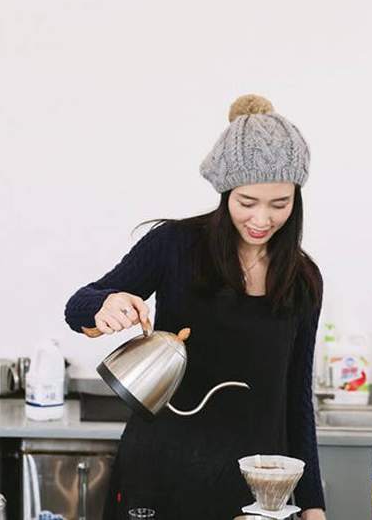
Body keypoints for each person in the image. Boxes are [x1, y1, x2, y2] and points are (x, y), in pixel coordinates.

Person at [65, 94, 326, 520]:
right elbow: (79, 306)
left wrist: (313, 505)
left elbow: (296, 398)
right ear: (225, 192)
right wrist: (105, 305)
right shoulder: (175, 246)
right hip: (161, 473)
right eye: (247, 202)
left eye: (280, 204)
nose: (262, 219)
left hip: (256, 492)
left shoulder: (302, 280)